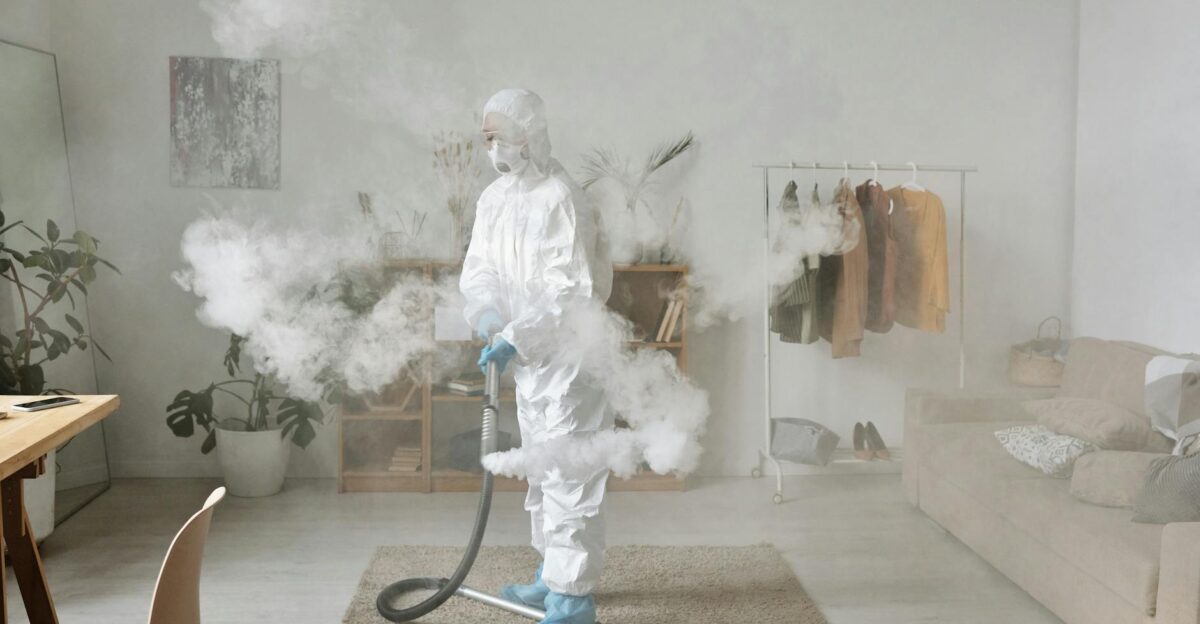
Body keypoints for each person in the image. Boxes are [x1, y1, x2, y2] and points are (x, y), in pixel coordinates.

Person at [460, 88, 613, 624]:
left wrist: (517, 336)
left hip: (571, 360)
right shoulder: (494, 199)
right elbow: (479, 267)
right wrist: (486, 315)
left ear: (528, 135)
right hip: (528, 362)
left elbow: (570, 291)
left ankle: (573, 597)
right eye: (486, 137)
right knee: (541, 472)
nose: (492, 146)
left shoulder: (561, 197)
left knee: (571, 475)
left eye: (499, 135)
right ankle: (552, 575)